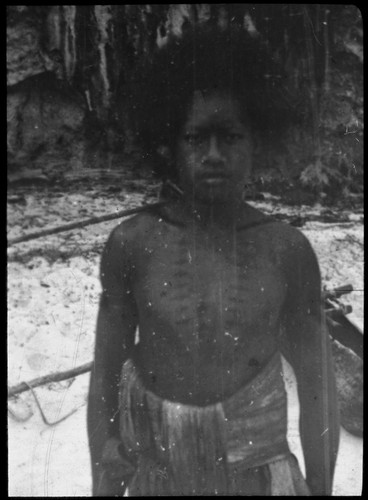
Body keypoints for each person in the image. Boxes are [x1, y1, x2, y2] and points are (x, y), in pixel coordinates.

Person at [87, 25, 339, 496]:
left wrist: (321, 489)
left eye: (231, 137)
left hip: (260, 479)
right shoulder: (133, 244)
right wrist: (104, 482)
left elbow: (318, 386)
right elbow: (104, 378)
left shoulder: (287, 250)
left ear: (257, 142)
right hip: (158, 479)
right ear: (170, 145)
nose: (214, 155)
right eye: (196, 138)